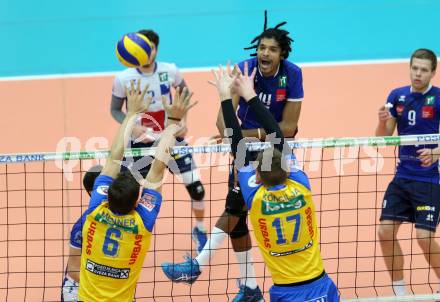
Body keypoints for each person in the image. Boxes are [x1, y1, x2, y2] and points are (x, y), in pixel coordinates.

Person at [161, 12, 303, 301]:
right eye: (262, 47)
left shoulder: (293, 74)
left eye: (272, 49)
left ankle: (198, 265)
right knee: (237, 219)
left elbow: (288, 128)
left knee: (235, 208)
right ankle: (249, 286)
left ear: (282, 54)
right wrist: (241, 135)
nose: (265, 53)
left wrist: (247, 133)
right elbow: (221, 125)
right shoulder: (242, 70)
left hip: (273, 152)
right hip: (242, 150)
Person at [219, 63, 338, 301]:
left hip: (286, 293)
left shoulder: (256, 197)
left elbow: (237, 144)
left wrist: (226, 96)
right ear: (288, 167)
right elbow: (277, 133)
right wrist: (251, 95)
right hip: (322, 286)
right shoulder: (301, 186)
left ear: (257, 177)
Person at [77, 80, 196, 301]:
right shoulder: (142, 223)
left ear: (105, 195)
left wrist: (131, 113)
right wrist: (173, 122)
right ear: (136, 204)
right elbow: (158, 170)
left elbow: (113, 158)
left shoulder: (94, 213)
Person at [111, 29, 207, 253]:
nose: (148, 52)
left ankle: (200, 230)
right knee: (125, 192)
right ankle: (125, 231)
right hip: (139, 143)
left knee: (198, 189)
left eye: (151, 47)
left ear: (155, 48)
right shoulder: (123, 78)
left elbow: (184, 94)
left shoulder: (170, 70)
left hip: (171, 137)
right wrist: (133, 126)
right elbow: (115, 110)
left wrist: (183, 121)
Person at [376, 48, 440, 296]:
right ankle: (400, 293)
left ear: (433, 73)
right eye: (415, 68)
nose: (418, 74)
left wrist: (437, 152)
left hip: (431, 180)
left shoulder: (438, 98)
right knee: (384, 232)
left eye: (424, 70)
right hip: (403, 178)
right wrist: (382, 120)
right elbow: (382, 139)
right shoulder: (397, 96)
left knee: (424, 238)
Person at [61, 165, 102, 301]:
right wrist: (101, 288)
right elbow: (73, 270)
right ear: (92, 192)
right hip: (78, 289)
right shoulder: (82, 226)